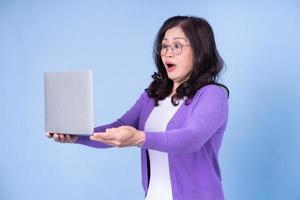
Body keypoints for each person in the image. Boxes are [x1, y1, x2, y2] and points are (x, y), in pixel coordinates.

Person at [46, 15, 229, 200]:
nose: (168, 53)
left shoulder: (212, 95)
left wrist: (139, 138)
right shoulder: (153, 94)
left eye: (177, 46)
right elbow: (118, 127)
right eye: (164, 46)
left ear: (200, 50)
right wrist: (78, 135)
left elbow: (192, 138)